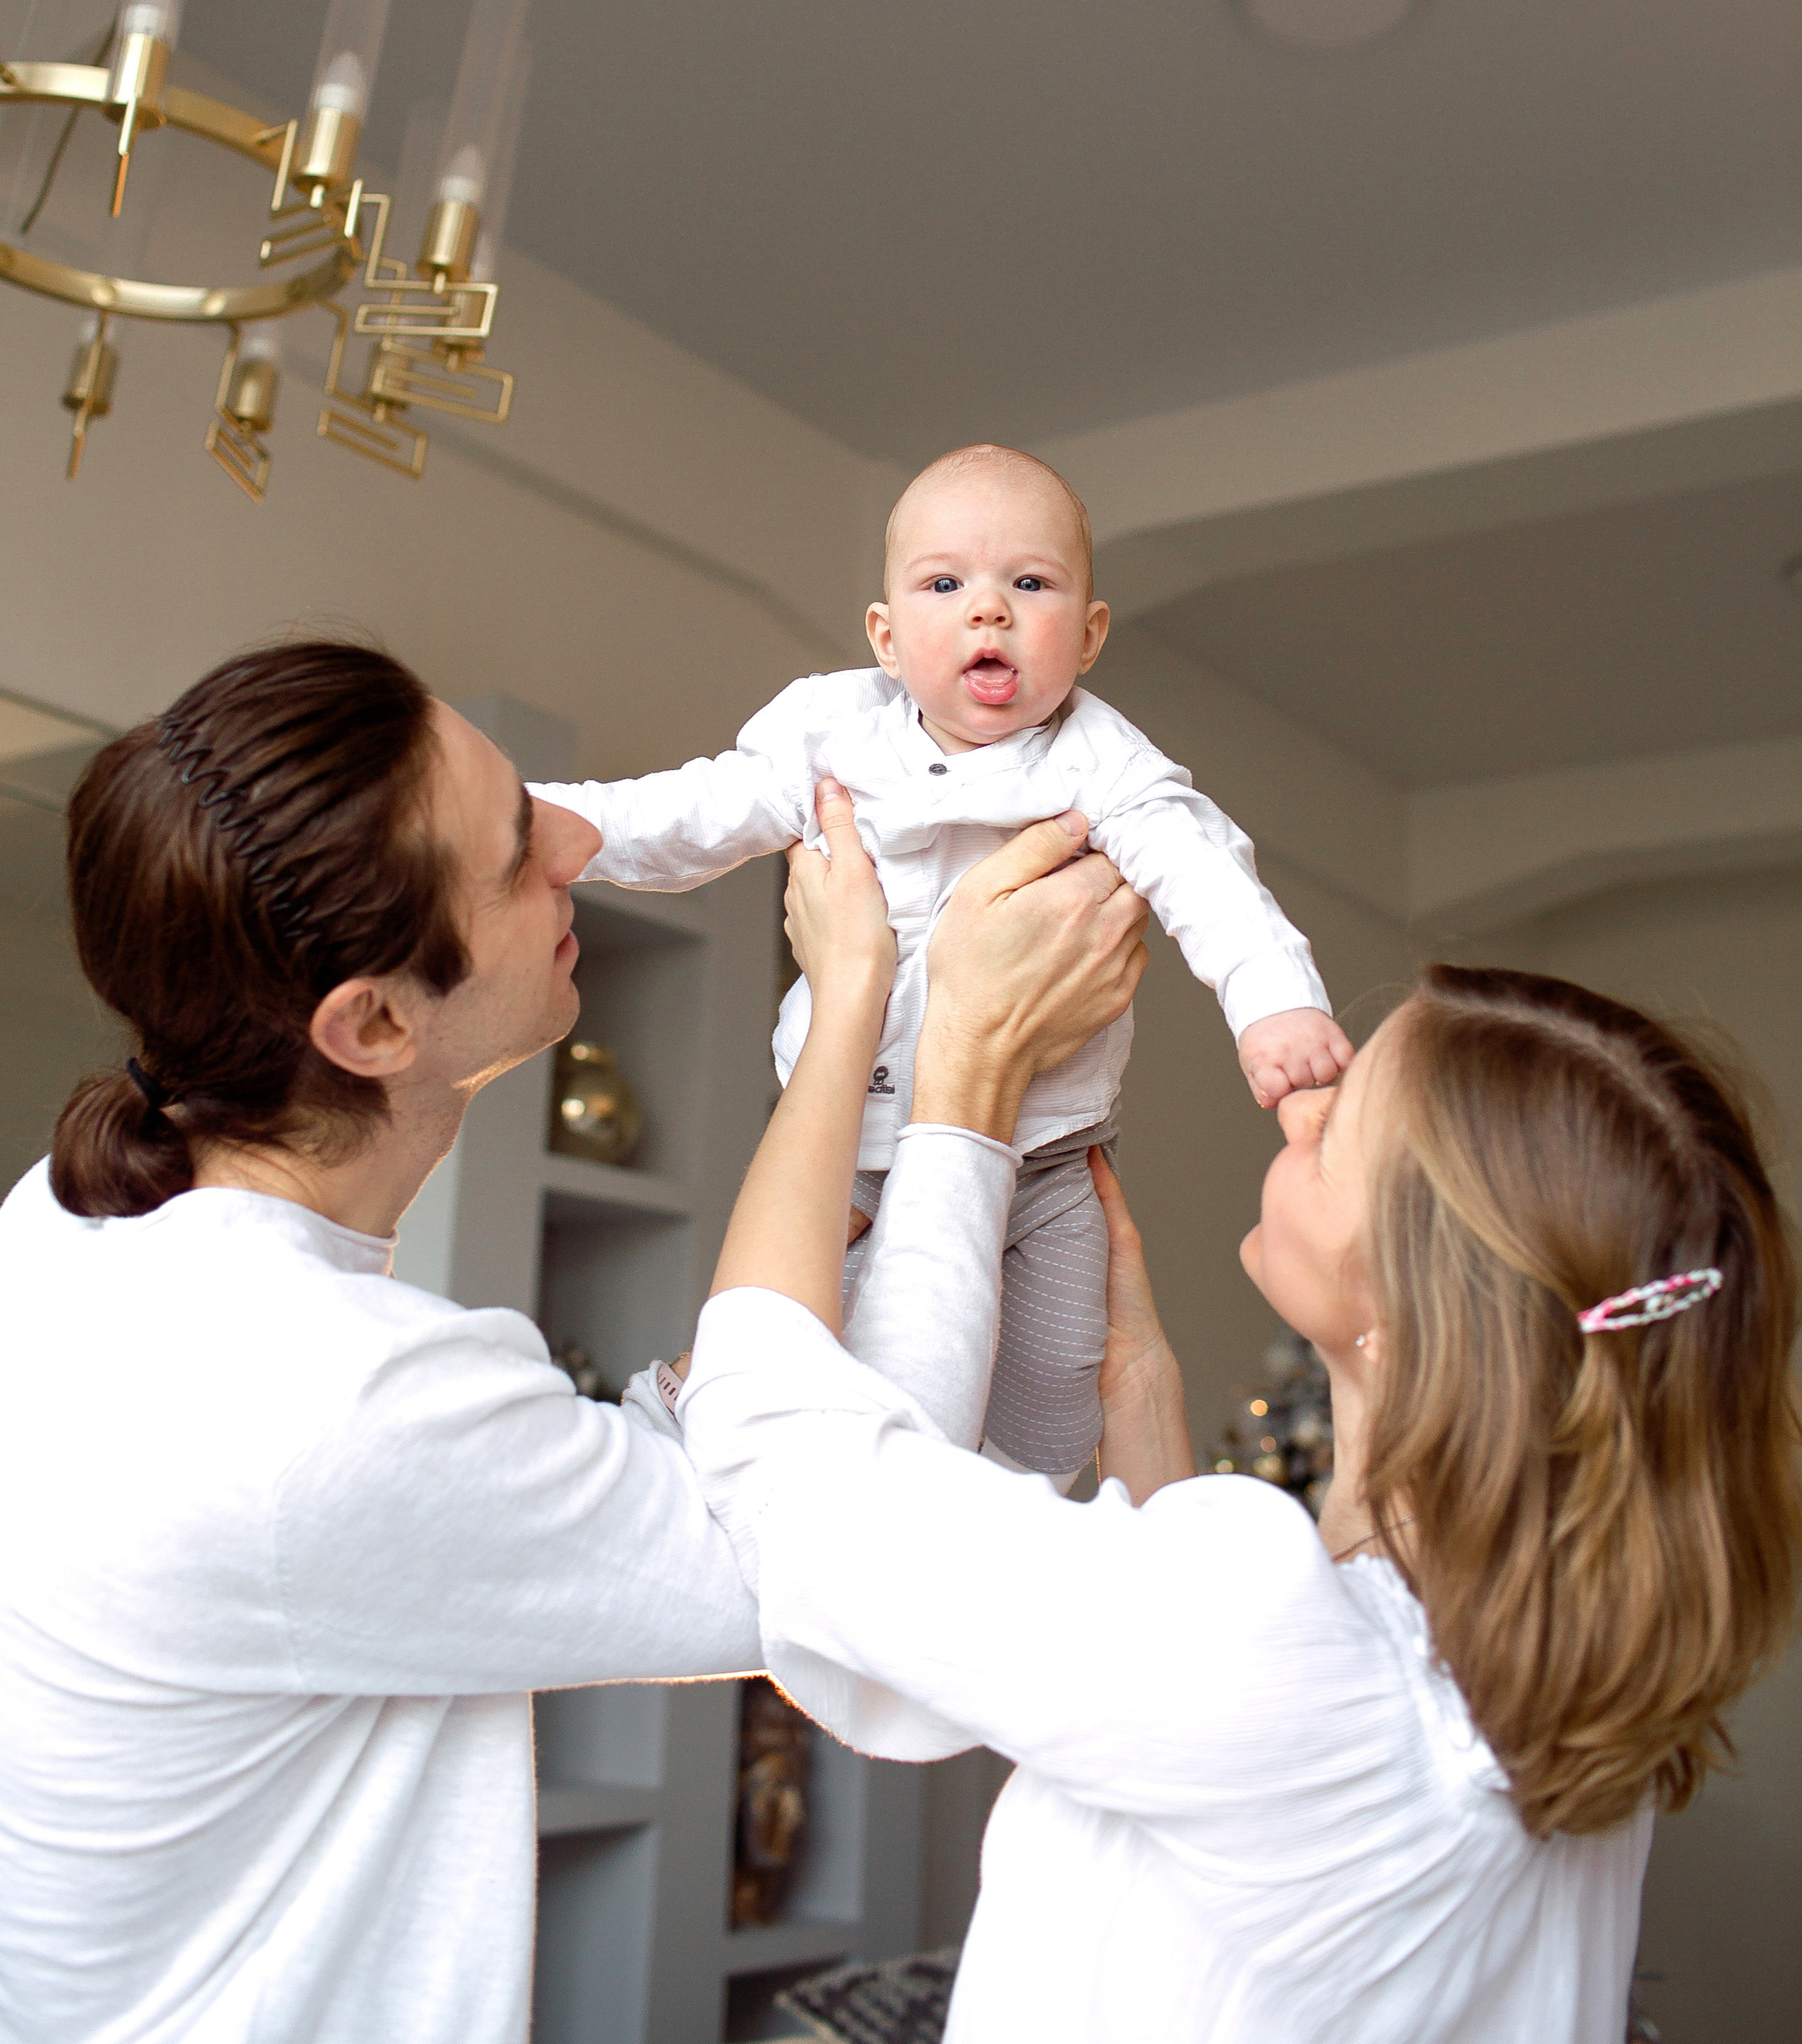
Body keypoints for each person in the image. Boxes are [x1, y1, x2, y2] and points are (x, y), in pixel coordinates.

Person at [0, 640, 1144, 2044]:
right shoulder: (318, 1395)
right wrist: (943, 1053)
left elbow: (650, 1476)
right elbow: (856, 1552)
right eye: (515, 850)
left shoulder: (72, 1228)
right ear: (370, 1024)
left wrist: (711, 1375)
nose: (577, 838)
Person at [680, 784, 1802, 2044]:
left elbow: (786, 1473)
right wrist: (1139, 1389)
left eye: (1340, 1133)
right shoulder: (1561, 1714)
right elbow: (1229, 1779)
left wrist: (911, 1040)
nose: (1299, 1109)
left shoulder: (1274, 1645)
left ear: (1419, 1303)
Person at [536, 441, 1350, 1477]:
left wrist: (1275, 1005)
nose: (989, 611)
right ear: (884, 635)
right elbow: (694, 810)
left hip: (1049, 1149)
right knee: (785, 1345)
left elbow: (1209, 878)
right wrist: (558, 824)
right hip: (842, 1130)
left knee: (1060, 1386)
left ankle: (990, 1521)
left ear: (1091, 635)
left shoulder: (1102, 763)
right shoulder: (832, 734)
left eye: (1031, 582)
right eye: (944, 583)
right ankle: (731, 1456)